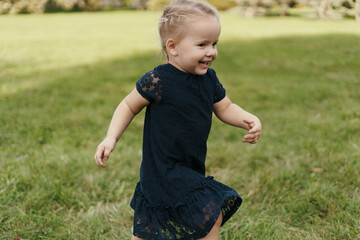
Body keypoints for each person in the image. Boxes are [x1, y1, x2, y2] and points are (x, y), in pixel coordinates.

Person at [94, 0, 262, 239]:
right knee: (210, 214)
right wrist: (111, 138)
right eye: (202, 44)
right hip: (163, 169)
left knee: (157, 226)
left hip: (190, 166)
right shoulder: (158, 80)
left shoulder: (209, 79)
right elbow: (128, 105)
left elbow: (225, 107)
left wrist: (248, 118)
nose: (211, 52)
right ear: (172, 47)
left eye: (214, 43)